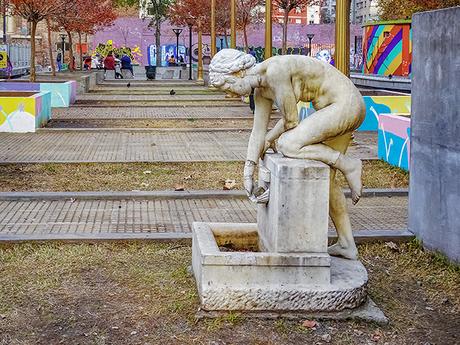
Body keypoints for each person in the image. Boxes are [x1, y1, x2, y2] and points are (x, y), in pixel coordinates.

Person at [209, 49, 366, 260]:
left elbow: (292, 121)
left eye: (228, 86)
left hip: (345, 104)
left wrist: (270, 139)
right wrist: (248, 171)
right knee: (327, 180)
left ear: (238, 73)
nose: (232, 93)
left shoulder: (275, 71)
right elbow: (258, 132)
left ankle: (348, 165)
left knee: (287, 144)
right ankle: (347, 244)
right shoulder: (260, 89)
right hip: (333, 107)